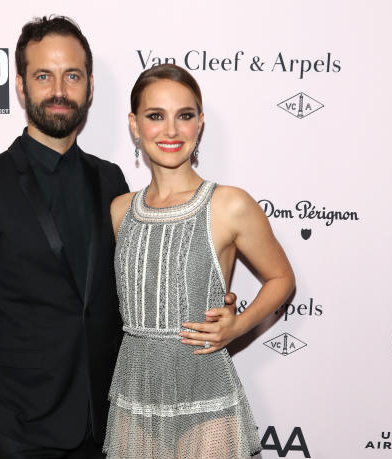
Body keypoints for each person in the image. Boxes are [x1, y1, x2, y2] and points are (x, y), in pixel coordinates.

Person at [0, 17, 239, 458]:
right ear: (21, 85)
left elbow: (136, 285)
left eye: (72, 75)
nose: (59, 89)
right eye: (44, 75)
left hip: (114, 424)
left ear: (90, 86)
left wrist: (212, 303)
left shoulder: (111, 181)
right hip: (20, 432)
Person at [104, 64, 296, 458]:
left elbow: (281, 277)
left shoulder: (229, 204)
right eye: (155, 116)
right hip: (134, 394)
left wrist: (238, 325)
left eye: (184, 116)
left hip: (204, 391)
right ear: (134, 125)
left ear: (200, 124)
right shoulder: (120, 210)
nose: (171, 131)